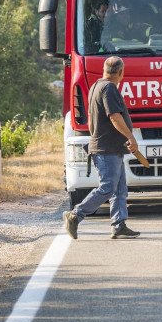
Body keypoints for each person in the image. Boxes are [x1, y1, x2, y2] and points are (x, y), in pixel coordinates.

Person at [63, 56, 141, 239]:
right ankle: (75, 214)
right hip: (107, 149)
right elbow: (114, 117)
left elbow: (91, 119)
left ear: (104, 69)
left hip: (110, 146)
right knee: (107, 187)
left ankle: (119, 224)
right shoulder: (109, 88)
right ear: (121, 72)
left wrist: (96, 138)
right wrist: (131, 137)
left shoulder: (96, 86)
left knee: (120, 188)